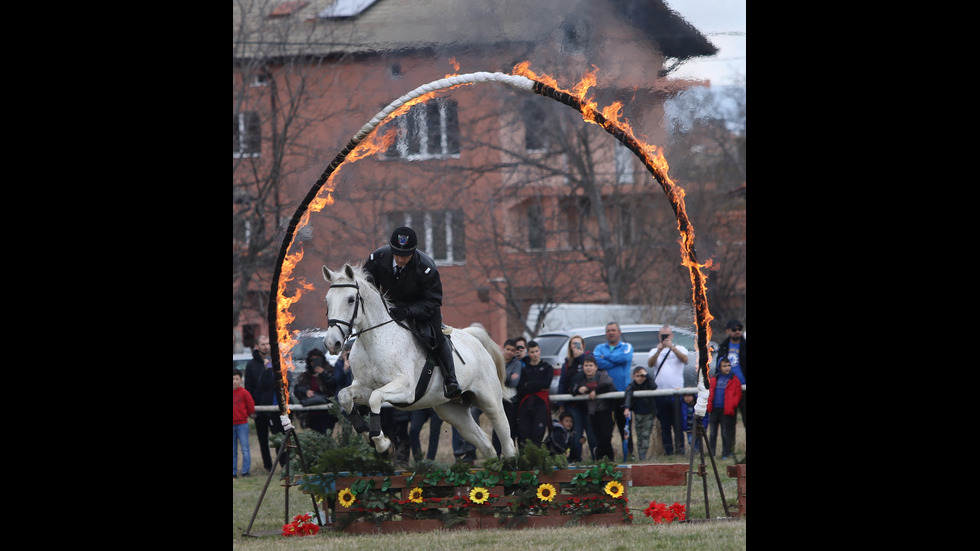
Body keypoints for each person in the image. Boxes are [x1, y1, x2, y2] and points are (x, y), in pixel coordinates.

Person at [363, 226, 461, 402]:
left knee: (438, 335)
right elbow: (367, 282)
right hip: (391, 304)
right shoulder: (377, 258)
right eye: (397, 254)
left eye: (405, 255)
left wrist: (408, 311)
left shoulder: (426, 267)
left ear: (413, 252)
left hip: (423, 307)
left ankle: (451, 380)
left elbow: (434, 301)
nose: (400, 259)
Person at [244, 335, 288, 472]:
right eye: (262, 344)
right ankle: (268, 466)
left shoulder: (275, 361)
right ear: (257, 346)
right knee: (263, 439)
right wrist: (252, 409)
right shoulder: (251, 365)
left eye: (268, 343)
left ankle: (283, 465)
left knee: (279, 438)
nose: (266, 346)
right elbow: (249, 388)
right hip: (259, 407)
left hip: (274, 407)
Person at [647, 325, 690, 456]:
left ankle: (680, 450)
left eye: (667, 335)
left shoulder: (680, 348)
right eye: (662, 335)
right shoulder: (654, 350)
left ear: (672, 336)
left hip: (676, 393)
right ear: (658, 337)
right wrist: (659, 351)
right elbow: (650, 364)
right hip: (660, 393)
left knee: (678, 424)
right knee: (664, 426)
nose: (665, 338)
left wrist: (672, 347)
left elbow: (685, 359)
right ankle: (668, 451)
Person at [593, 322, 634, 457]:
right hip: (605, 394)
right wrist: (615, 360)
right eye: (608, 330)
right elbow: (596, 361)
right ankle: (607, 456)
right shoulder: (599, 348)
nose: (611, 332)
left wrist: (607, 358)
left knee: (624, 427)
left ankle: (629, 455)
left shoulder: (627, 346)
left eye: (613, 330)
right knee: (605, 428)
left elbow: (625, 357)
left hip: (622, 393)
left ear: (619, 332)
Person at [569, 354, 616, 462]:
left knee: (606, 436)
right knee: (598, 437)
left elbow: (609, 387)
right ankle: (600, 459)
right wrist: (578, 390)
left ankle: (609, 459)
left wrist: (595, 391)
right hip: (592, 412)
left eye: (591, 365)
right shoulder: (581, 378)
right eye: (586, 365)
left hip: (606, 410)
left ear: (595, 367)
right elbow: (572, 388)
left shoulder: (602, 376)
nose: (588, 367)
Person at [557, 335, 591, 462]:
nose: (575, 346)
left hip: (588, 402)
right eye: (573, 344)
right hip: (573, 403)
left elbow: (593, 371)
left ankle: (595, 458)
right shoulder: (567, 363)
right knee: (576, 431)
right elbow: (562, 382)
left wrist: (581, 355)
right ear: (570, 347)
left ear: (583, 345)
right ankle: (576, 458)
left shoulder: (588, 357)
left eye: (578, 343)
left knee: (590, 431)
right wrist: (561, 402)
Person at [515, 340, 552, 450]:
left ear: (540, 351)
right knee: (523, 432)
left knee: (538, 432)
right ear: (528, 353)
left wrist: (529, 384)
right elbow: (521, 388)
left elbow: (546, 384)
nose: (535, 354)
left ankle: (536, 459)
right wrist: (537, 385)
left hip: (541, 404)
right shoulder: (524, 370)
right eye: (532, 352)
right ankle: (524, 461)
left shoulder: (547, 367)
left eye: (536, 351)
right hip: (526, 403)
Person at [293, 348, 337, 435]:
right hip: (311, 414)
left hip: (327, 413)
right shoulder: (305, 376)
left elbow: (334, 384)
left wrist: (323, 373)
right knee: (314, 439)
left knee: (326, 437)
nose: (314, 362)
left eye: (317, 359)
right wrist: (306, 391)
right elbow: (297, 389)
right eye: (312, 360)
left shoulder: (330, 371)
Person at [707, 358, 742, 459]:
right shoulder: (714, 379)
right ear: (719, 367)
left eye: (728, 365)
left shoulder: (734, 380)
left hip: (726, 410)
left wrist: (733, 404)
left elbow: (738, 394)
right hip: (714, 409)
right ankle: (711, 453)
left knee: (725, 433)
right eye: (724, 366)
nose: (727, 368)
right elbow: (710, 393)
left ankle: (726, 453)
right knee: (713, 433)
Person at [715, 319, 746, 432]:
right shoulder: (723, 346)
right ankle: (730, 448)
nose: (737, 331)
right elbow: (718, 368)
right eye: (734, 329)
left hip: (744, 387)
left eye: (739, 329)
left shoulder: (744, 345)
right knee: (729, 423)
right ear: (727, 331)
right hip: (729, 388)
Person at [623, 365, 658, 462]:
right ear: (633, 377)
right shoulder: (632, 386)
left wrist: (647, 376)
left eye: (642, 376)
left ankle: (643, 455)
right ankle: (640, 455)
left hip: (649, 413)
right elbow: (628, 395)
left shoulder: (648, 384)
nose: (640, 378)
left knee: (646, 434)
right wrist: (627, 408)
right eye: (638, 376)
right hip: (638, 414)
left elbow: (654, 387)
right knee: (639, 436)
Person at [233, 369, 256, 479]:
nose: (234, 381)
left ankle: (245, 470)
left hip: (242, 424)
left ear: (241, 380)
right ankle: (233, 471)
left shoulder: (244, 393)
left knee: (245, 448)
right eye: (233, 379)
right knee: (233, 450)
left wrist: (246, 414)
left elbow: (251, 406)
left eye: (237, 379)